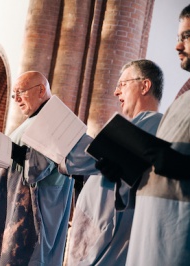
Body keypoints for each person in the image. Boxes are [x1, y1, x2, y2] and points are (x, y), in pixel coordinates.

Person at [0, 71, 74, 265]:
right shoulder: (34, 119)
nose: (16, 99)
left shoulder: (56, 118)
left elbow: (38, 167)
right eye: (13, 94)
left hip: (32, 212)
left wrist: (12, 150)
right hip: (9, 202)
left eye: (20, 92)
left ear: (41, 90)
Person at [64, 59, 164, 265]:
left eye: (122, 84)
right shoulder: (137, 125)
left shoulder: (153, 123)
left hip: (109, 239)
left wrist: (65, 145)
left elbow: (94, 160)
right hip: (97, 235)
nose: (116, 92)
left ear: (145, 86)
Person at [123, 5, 190, 265]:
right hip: (148, 232)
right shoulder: (181, 100)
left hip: (179, 236)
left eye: (186, 36)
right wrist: (126, 168)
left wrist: (183, 166)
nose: (177, 46)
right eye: (178, 38)